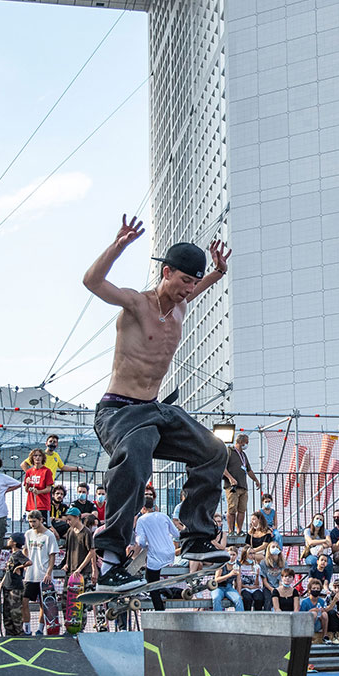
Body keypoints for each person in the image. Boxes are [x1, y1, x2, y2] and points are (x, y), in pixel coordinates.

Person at [83, 215, 232, 589]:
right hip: (118, 412)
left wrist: (217, 273)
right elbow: (92, 282)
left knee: (214, 450)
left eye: (193, 285)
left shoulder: (181, 304)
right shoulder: (136, 304)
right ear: (166, 272)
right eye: (184, 281)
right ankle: (112, 559)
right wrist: (119, 245)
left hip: (154, 411)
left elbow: (196, 288)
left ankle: (197, 535)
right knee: (136, 456)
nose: (188, 291)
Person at [130, 496, 179, 611]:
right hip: (170, 552)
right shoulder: (163, 516)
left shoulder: (142, 520)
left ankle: (159, 610)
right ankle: (165, 593)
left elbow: (141, 541)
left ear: (142, 508)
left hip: (156, 555)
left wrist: (146, 543)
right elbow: (176, 534)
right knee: (152, 579)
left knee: (152, 585)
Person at [22, 510, 59, 636]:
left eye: (34, 521)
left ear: (40, 520)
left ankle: (40, 628)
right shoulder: (28, 534)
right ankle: (27, 627)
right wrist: (25, 564)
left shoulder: (49, 535)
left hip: (43, 574)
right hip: (30, 574)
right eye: (30, 522)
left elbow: (52, 555)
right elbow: (25, 550)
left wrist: (48, 572)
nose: (32, 524)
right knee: (24, 600)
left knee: (44, 604)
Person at [223, 433, 260, 535]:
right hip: (232, 487)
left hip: (243, 486)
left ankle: (239, 530)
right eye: (246, 442)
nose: (247, 444)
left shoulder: (243, 455)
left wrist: (256, 480)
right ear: (240, 442)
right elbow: (222, 468)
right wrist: (231, 478)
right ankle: (231, 531)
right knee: (232, 508)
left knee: (242, 509)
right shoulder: (229, 451)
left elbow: (249, 470)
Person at [0, 532, 31, 637]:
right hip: (8, 586)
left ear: (14, 542)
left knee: (15, 613)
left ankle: (19, 633)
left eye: (10, 539)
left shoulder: (18, 554)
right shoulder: (12, 554)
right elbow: (8, 570)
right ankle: (10, 633)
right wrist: (3, 582)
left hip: (15, 587)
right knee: (7, 613)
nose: (8, 540)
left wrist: (19, 567)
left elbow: (28, 562)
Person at [20, 433, 84, 476]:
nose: (52, 443)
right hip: (39, 485)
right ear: (46, 443)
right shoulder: (39, 454)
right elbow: (23, 464)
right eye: (50, 441)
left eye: (54, 442)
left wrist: (77, 468)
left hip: (50, 486)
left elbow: (63, 467)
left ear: (57, 445)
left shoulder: (56, 455)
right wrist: (31, 475)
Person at [23, 449, 54, 525]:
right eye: (35, 455)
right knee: (33, 526)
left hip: (43, 505)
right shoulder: (29, 472)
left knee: (43, 526)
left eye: (40, 456)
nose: (37, 458)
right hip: (32, 504)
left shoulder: (47, 471)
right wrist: (27, 483)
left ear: (43, 458)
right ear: (32, 458)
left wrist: (39, 492)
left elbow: (49, 488)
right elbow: (26, 490)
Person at [212, 546, 244, 611]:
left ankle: (240, 619)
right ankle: (217, 619)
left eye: (233, 555)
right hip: (218, 587)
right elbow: (216, 580)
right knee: (216, 598)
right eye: (230, 555)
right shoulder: (222, 563)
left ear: (237, 555)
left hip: (229, 587)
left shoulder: (237, 565)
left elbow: (238, 580)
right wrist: (229, 575)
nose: (231, 557)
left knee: (238, 599)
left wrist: (239, 593)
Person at [300, 578, 329, 642]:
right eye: (314, 588)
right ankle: (309, 637)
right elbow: (301, 617)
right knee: (314, 614)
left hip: (318, 624)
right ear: (310, 590)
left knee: (324, 614)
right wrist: (310, 611)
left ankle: (325, 636)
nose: (316, 590)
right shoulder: (305, 602)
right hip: (307, 625)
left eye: (318, 589)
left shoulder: (321, 601)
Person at [259, 541, 285, 610]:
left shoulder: (283, 563)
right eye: (273, 547)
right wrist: (272, 589)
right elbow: (264, 581)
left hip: (280, 586)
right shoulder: (263, 563)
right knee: (268, 600)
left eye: (277, 547)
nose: (275, 548)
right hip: (268, 587)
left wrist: (279, 589)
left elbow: (282, 578)